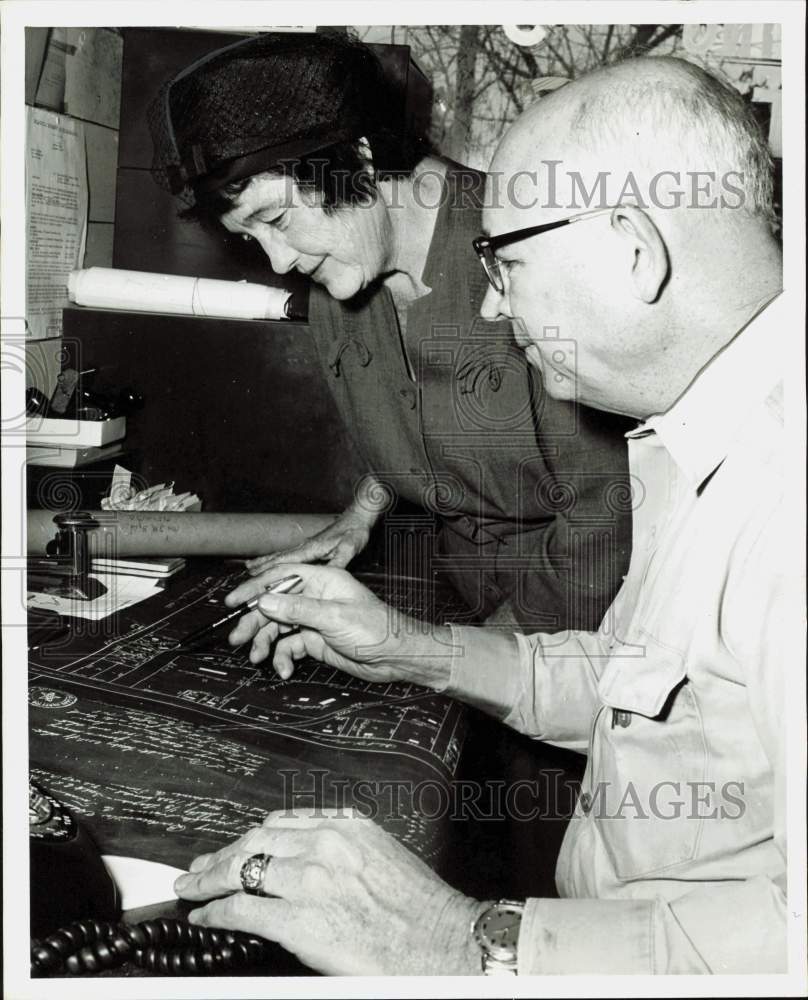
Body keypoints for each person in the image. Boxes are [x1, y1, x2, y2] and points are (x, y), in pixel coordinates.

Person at [173, 55, 792, 975]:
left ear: (633, 246)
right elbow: (641, 690)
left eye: (509, 264)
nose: (493, 307)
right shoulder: (686, 443)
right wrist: (402, 642)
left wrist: (464, 944)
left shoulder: (775, 505)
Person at [149, 30, 632, 633]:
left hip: (593, 622)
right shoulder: (341, 279)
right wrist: (359, 515)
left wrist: (462, 663)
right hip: (470, 601)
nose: (277, 262)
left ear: (361, 160)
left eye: (275, 218)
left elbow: (604, 517)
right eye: (251, 237)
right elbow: (421, 414)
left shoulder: (528, 256)